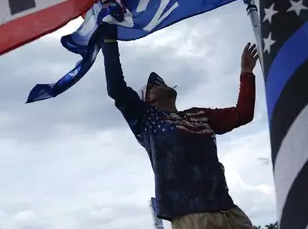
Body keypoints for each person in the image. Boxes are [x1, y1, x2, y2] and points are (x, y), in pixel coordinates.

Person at [99, 23, 259, 229]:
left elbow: (242, 114)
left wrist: (246, 73)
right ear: (146, 100)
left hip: (230, 212)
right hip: (191, 219)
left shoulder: (199, 114)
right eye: (153, 85)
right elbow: (117, 89)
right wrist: (109, 41)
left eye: (160, 81)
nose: (159, 82)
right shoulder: (146, 120)